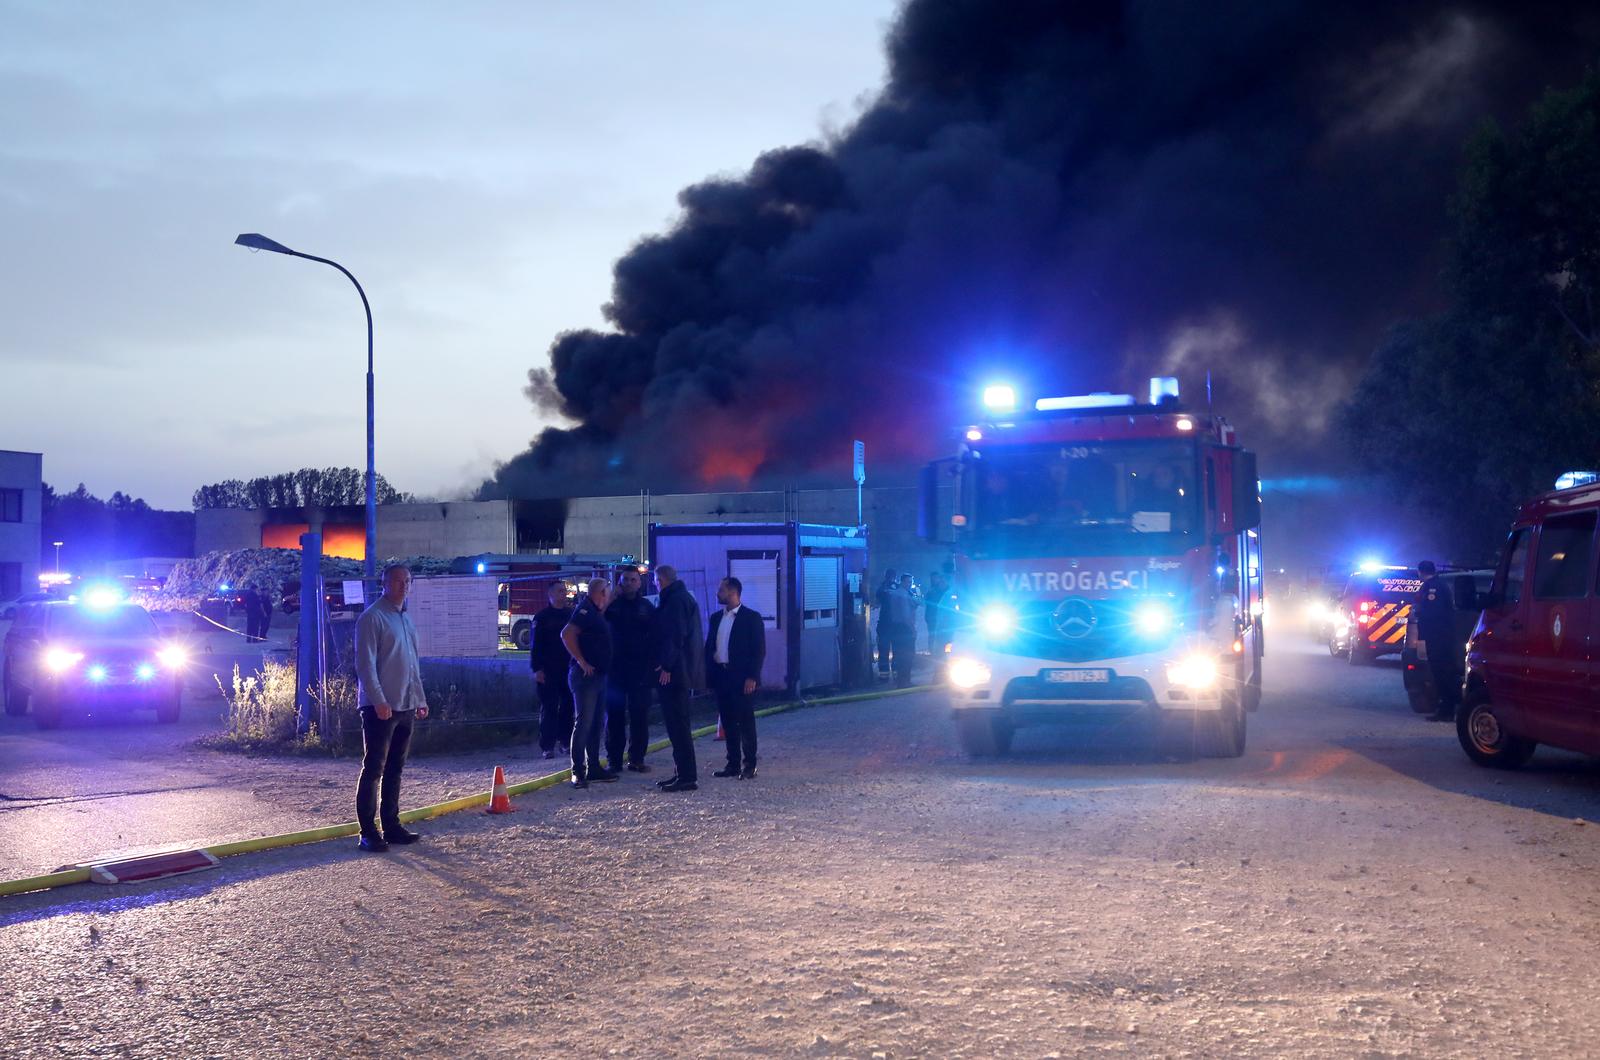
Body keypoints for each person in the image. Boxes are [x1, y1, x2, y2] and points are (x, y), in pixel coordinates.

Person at [353, 563, 429, 852]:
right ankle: (367, 832)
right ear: (384, 583)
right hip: (381, 708)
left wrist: (419, 699)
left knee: (395, 768)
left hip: (405, 705)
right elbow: (365, 664)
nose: (404, 585)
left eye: (407, 581)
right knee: (374, 768)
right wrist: (378, 699)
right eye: (398, 581)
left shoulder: (405, 619)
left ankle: (391, 825)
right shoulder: (372, 618)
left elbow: (412, 664)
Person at [706, 576, 765, 779]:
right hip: (722, 675)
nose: (717, 593)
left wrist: (752, 677)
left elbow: (758, 650)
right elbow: (710, 647)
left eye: (721, 589)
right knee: (728, 721)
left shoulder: (751, 618)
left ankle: (750, 764)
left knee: (746, 722)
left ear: (732, 592)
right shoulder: (716, 618)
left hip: (741, 678)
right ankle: (732, 764)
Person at [653, 565, 704, 793]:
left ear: (661, 580)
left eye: (655, 580)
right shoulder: (681, 598)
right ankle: (681, 773)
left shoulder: (675, 601)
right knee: (677, 725)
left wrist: (667, 666)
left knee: (678, 725)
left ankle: (686, 776)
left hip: (676, 673)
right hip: (682, 670)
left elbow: (675, 636)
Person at [562, 579, 617, 788]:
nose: (609, 596)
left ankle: (593, 767)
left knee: (595, 724)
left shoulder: (595, 611)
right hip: (586, 677)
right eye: (607, 593)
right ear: (600, 593)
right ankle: (578, 771)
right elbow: (566, 634)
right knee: (584, 723)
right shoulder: (585, 610)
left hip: (599, 676)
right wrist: (581, 661)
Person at [604, 567, 658, 773]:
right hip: (614, 670)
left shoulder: (646, 608)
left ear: (639, 583)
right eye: (625, 579)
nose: (628, 583)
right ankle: (614, 760)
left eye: (632, 580)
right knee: (614, 716)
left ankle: (637, 759)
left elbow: (655, 638)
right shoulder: (611, 606)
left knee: (639, 716)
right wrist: (610, 597)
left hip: (639, 671)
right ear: (620, 581)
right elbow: (598, 619)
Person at [531, 581, 575, 760]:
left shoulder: (571, 615)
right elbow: (535, 646)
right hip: (548, 670)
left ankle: (565, 741)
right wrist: (537, 669)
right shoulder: (541, 617)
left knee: (568, 706)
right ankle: (547, 746)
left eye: (564, 591)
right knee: (549, 708)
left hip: (568, 668)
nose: (563, 594)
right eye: (559, 591)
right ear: (550, 594)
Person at [1413, 560, 1460, 722]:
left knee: (1441, 673)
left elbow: (1432, 613)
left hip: (1437, 638)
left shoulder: (1433, 587)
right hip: (1442, 637)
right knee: (1444, 673)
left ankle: (1446, 709)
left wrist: (1418, 616)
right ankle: (1448, 707)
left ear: (1421, 571)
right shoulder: (1441, 585)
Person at [887, 574, 920, 688]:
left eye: (911, 582)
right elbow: (906, 616)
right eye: (908, 582)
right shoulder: (904, 595)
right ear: (902, 582)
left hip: (895, 628)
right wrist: (913, 629)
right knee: (908, 656)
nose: (909, 584)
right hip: (905, 628)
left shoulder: (895, 593)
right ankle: (905, 681)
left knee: (899, 654)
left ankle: (900, 680)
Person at [874, 569, 898, 678]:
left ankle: (885, 675)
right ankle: (894, 674)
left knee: (884, 651)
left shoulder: (884, 588)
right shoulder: (893, 588)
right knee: (895, 651)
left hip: (886, 625)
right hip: (892, 625)